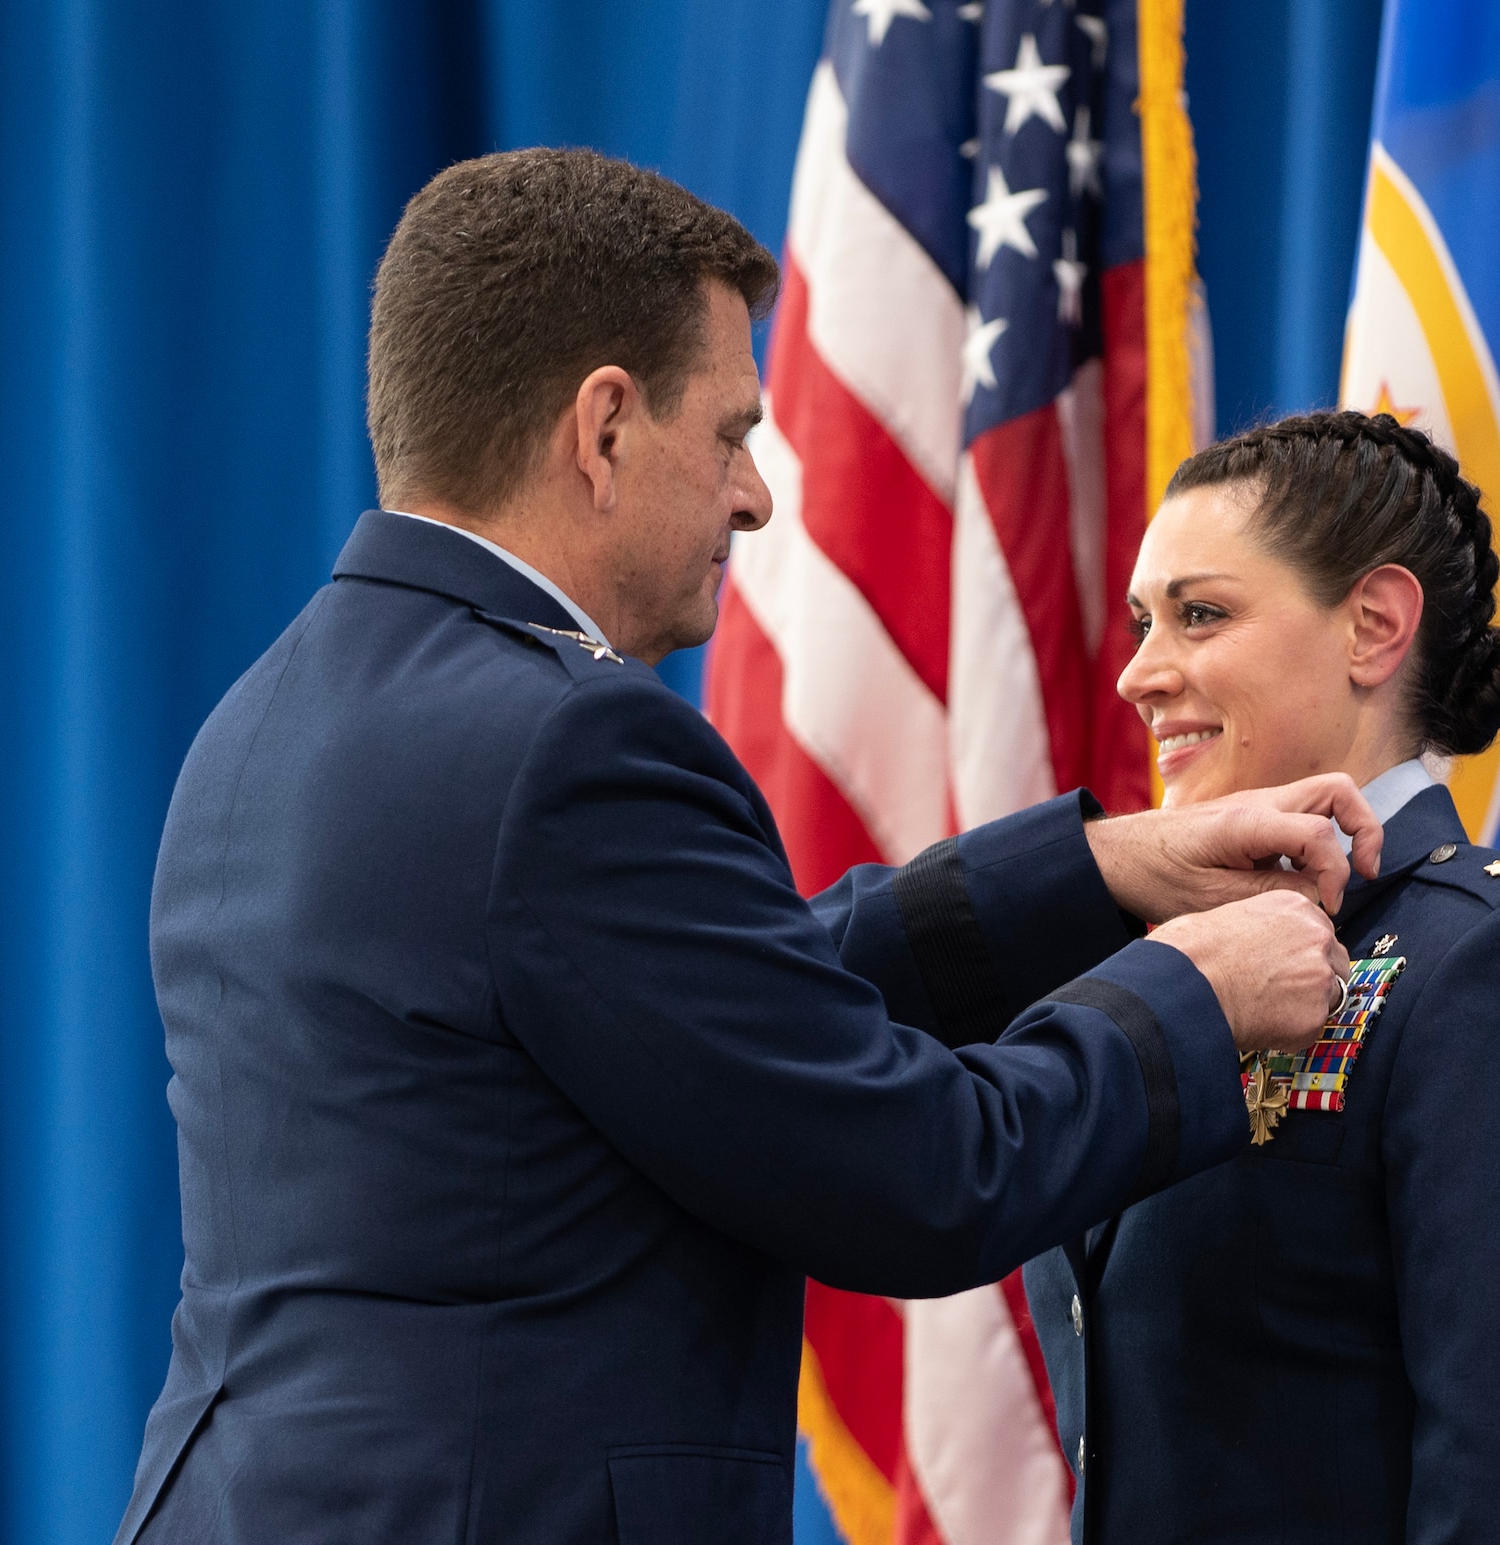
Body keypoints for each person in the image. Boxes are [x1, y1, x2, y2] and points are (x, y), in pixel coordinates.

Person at [113, 152, 1381, 1545]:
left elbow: (688, 1004)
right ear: (602, 428)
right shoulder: (565, 747)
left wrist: (1101, 872)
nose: (758, 498)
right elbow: (921, 1169)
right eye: (729, 434)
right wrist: (1194, 996)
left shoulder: (260, 724)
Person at [1025, 410, 1500, 1544]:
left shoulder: (1495, 961)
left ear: (1372, 627)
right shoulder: (1143, 963)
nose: (1135, 674)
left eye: (1198, 615)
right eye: (1138, 623)